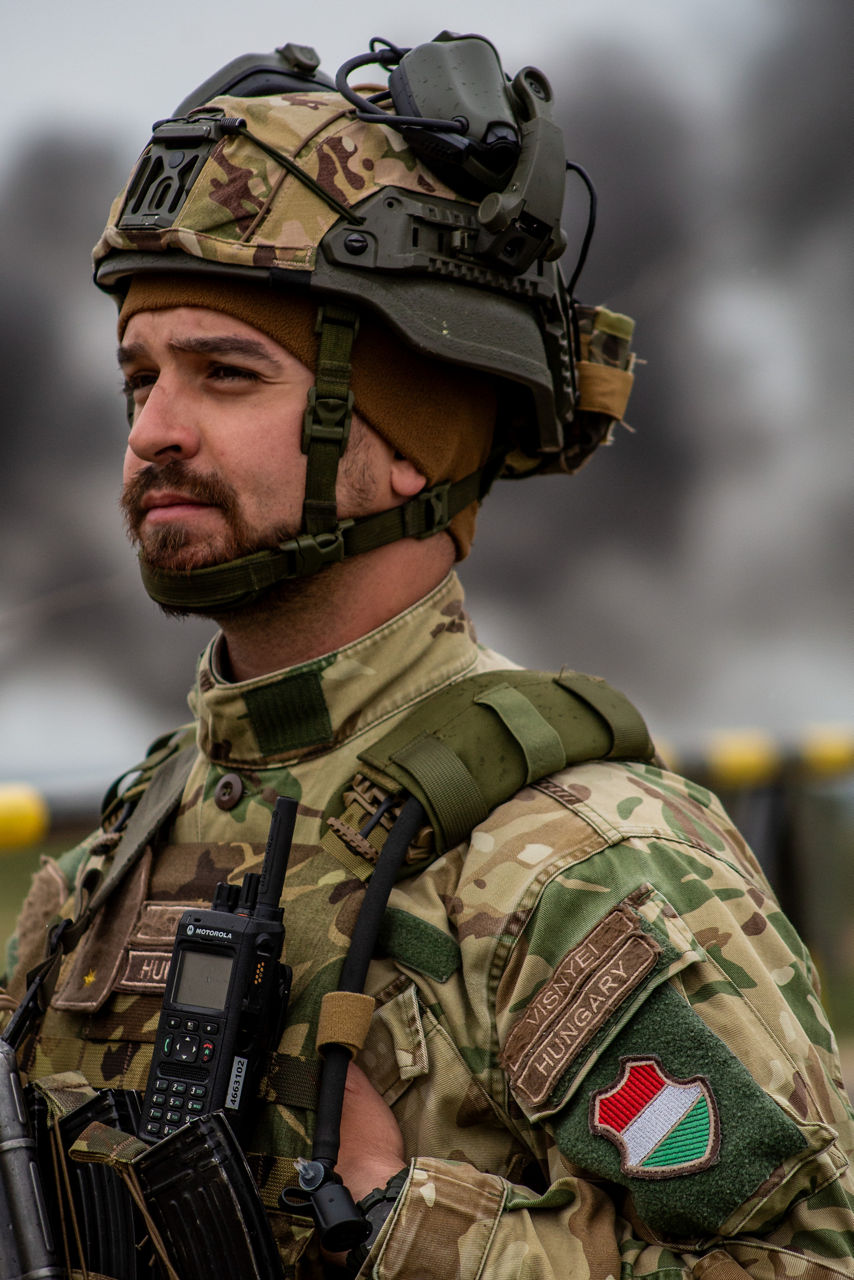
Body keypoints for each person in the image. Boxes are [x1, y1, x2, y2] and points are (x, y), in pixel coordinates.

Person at [3, 31, 853, 1280]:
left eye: (225, 374)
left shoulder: (578, 867)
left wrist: (409, 1227)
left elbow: (801, 1258)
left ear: (411, 432)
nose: (154, 434)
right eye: (140, 378)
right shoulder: (104, 867)